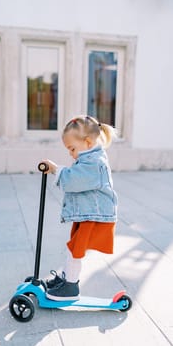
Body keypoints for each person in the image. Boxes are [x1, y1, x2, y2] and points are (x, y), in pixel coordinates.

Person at [43, 115, 118, 301]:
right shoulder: (90, 158)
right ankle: (66, 279)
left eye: (72, 148)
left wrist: (55, 169)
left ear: (87, 142)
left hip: (95, 217)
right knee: (73, 248)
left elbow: (73, 180)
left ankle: (70, 287)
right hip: (88, 214)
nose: (71, 154)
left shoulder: (94, 162)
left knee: (75, 250)